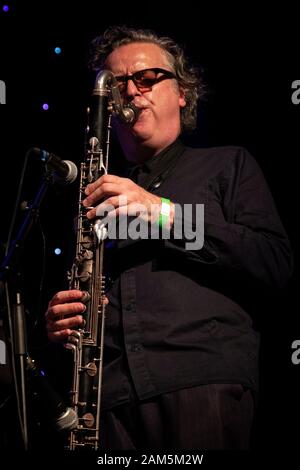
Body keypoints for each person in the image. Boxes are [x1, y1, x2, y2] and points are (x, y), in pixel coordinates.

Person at [45, 25, 292, 450]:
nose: (131, 92)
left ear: (182, 93)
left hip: (198, 380)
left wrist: (164, 214)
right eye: (119, 84)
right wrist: (58, 320)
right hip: (109, 399)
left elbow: (273, 262)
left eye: (146, 78)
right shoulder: (98, 192)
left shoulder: (227, 164)